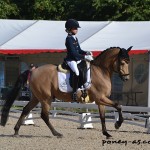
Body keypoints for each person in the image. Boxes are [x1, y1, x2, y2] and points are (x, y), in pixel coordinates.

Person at [64, 19, 93, 101]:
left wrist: (86, 52)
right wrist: (84, 57)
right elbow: (73, 53)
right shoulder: (69, 39)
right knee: (76, 72)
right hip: (71, 60)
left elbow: (79, 50)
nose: (76, 30)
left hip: (77, 59)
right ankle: (74, 91)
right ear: (69, 29)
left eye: (77, 28)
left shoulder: (75, 38)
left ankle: (83, 87)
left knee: (84, 68)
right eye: (75, 28)